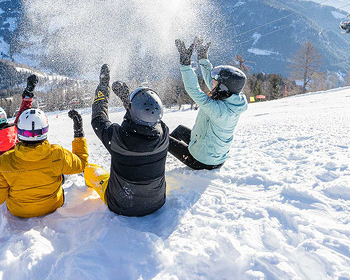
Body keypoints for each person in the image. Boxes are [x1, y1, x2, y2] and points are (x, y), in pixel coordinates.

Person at [85, 64, 169, 217]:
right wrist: (126, 98)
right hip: (156, 202)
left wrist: (103, 87)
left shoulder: (117, 138)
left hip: (121, 205)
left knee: (90, 170)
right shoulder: (163, 134)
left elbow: (98, 118)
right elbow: (143, 119)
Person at [0, 108, 88, 218]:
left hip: (19, 211)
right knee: (59, 173)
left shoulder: (5, 161)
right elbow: (82, 164)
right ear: (45, 130)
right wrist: (79, 134)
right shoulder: (58, 154)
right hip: (53, 206)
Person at [171, 37, 248, 170]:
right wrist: (202, 58)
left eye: (216, 81)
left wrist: (185, 65)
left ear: (223, 87)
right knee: (179, 130)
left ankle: (150, 159)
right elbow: (210, 80)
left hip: (202, 161)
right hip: (214, 153)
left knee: (163, 139)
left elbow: (193, 90)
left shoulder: (219, 111)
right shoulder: (231, 96)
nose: (212, 82)